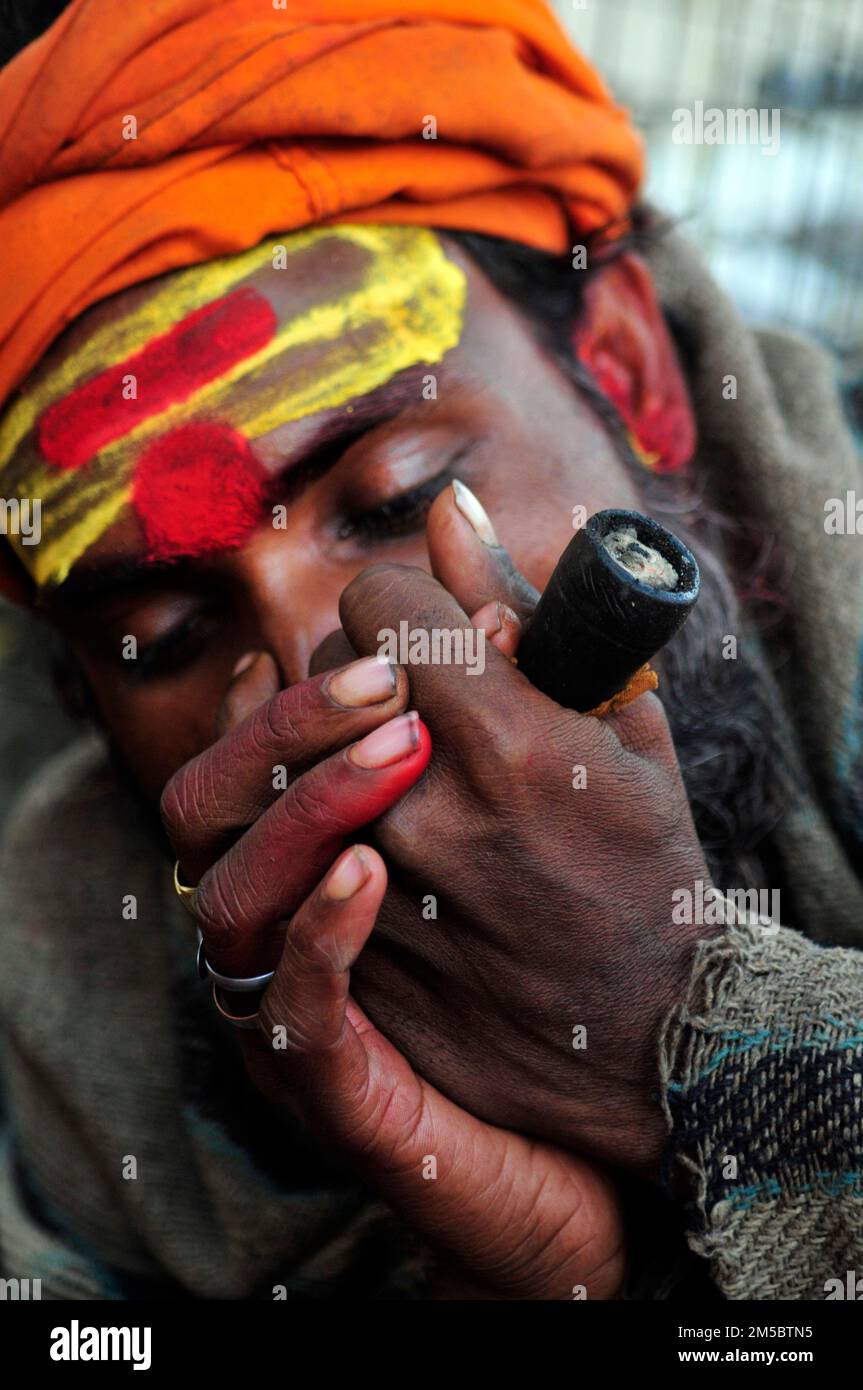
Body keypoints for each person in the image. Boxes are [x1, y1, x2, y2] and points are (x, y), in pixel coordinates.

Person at [0, 0, 860, 1302]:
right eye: (164, 636)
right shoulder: (61, 1025)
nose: (310, 676)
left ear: (628, 374)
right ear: (80, 696)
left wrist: (683, 1039)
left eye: (398, 500)